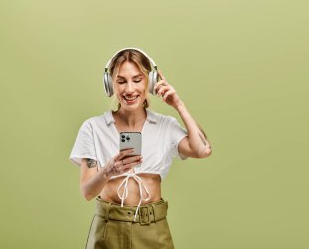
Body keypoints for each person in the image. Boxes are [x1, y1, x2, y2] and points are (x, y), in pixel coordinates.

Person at [69, 48, 212, 249]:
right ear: (110, 84)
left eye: (137, 80)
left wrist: (178, 105)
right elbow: (87, 191)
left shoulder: (166, 126)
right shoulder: (92, 128)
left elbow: (203, 150)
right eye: (121, 81)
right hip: (108, 228)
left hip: (153, 228)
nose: (129, 89)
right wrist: (109, 170)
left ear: (150, 82)